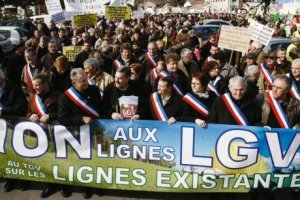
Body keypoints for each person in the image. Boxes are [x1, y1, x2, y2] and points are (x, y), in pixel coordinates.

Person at [58, 68, 104, 199]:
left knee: (96, 161)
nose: (86, 83)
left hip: (96, 132)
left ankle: (96, 184)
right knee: (81, 163)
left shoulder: (94, 90)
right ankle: (84, 186)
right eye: (82, 81)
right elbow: (62, 119)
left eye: (86, 79)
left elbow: (100, 108)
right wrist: (80, 118)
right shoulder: (65, 98)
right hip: (77, 135)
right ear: (74, 83)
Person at [0, 69, 28, 193]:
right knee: (4, 154)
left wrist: (3, 111)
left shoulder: (14, 89)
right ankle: (10, 179)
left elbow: (21, 106)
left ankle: (24, 179)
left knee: (16, 154)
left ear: (1, 78)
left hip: (12, 126)